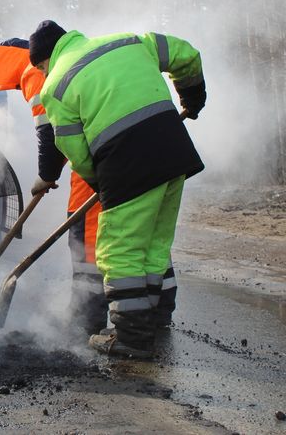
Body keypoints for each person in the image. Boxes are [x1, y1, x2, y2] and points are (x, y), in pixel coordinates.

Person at [28, 20, 206, 359]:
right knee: (154, 244)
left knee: (117, 250)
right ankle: (151, 320)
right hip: (175, 153)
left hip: (128, 164)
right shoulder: (130, 40)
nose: (41, 72)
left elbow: (73, 148)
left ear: (44, 60)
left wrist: (103, 182)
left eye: (39, 66)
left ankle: (130, 337)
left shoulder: (54, 86)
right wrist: (194, 98)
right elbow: (187, 55)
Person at [0, 38, 107, 335]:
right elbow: (69, 127)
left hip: (95, 161)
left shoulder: (32, 73)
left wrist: (46, 173)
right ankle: (156, 309)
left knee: (84, 235)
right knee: (141, 232)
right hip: (112, 149)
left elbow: (49, 132)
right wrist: (51, 171)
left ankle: (86, 318)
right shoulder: (57, 67)